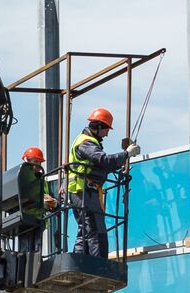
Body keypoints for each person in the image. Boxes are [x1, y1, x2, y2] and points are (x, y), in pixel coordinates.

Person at [68, 107, 139, 259]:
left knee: (85, 230)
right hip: (84, 191)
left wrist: (119, 165)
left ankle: (80, 262)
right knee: (95, 229)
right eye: (107, 129)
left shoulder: (87, 142)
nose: (107, 133)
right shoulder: (86, 142)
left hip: (82, 191)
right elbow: (103, 160)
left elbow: (100, 166)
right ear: (99, 126)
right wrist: (127, 154)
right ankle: (97, 263)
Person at [17, 146, 56, 251]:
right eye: (35, 161)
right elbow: (24, 195)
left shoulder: (42, 178)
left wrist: (52, 202)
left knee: (36, 249)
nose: (38, 165)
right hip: (26, 217)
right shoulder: (22, 177)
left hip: (38, 218)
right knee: (25, 249)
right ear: (27, 161)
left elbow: (46, 195)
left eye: (39, 162)